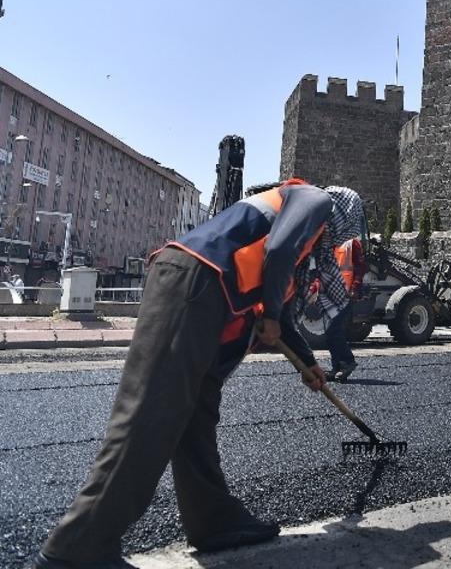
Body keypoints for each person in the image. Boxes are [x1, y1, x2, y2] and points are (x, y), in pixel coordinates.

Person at [34, 180, 364, 569]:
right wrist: (271, 315)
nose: (339, 240)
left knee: (196, 414)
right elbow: (277, 254)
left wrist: (309, 364)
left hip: (209, 295)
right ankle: (78, 546)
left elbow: (281, 308)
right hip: (195, 281)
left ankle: (213, 519)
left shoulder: (301, 237)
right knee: (153, 412)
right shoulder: (315, 199)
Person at [325, 236, 365, 382]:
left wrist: (355, 288)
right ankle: (337, 367)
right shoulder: (329, 243)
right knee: (330, 332)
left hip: (346, 294)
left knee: (333, 330)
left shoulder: (351, 243)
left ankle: (348, 361)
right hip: (332, 294)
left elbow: (360, 268)